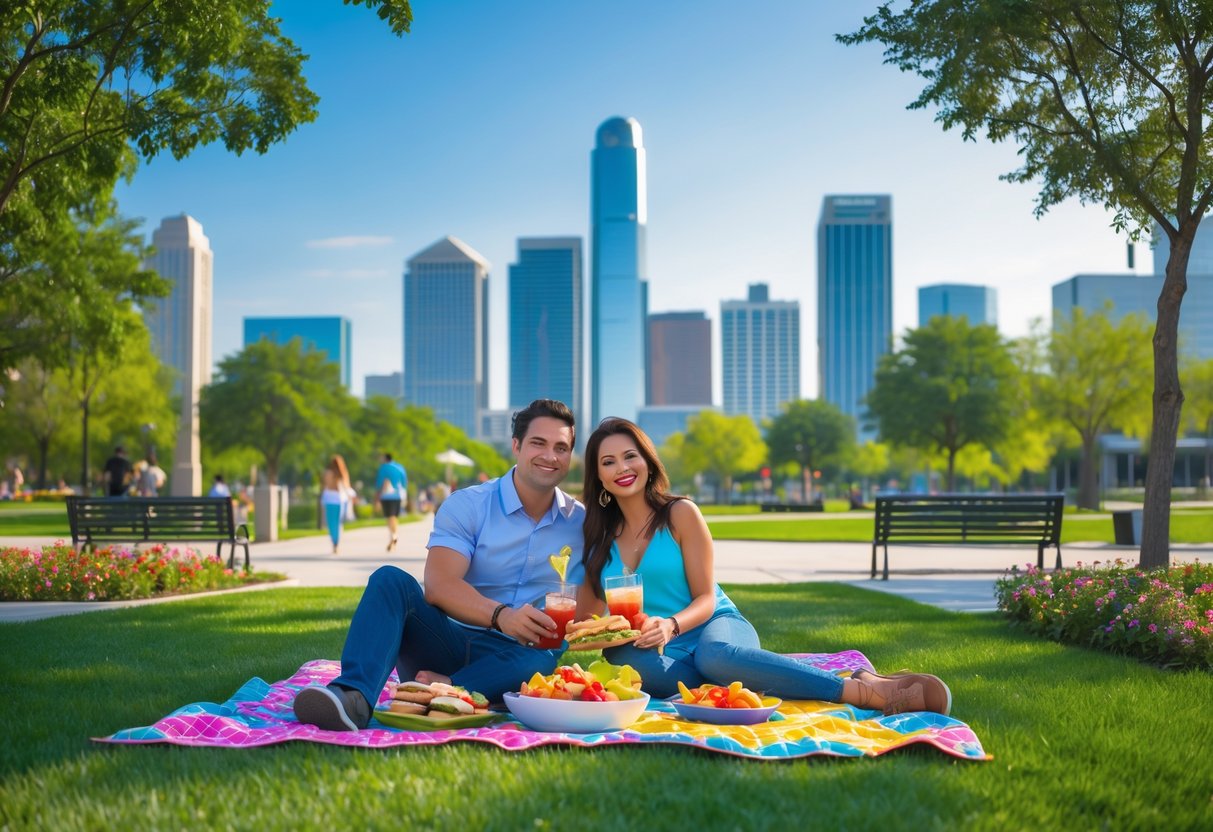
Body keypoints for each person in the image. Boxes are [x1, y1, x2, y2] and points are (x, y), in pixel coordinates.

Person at [576, 417, 952, 716]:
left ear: (647, 460)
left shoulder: (680, 514)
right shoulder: (596, 540)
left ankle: (862, 690)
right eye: (608, 462)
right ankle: (746, 673)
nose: (622, 467)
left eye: (630, 456)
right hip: (656, 648)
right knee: (621, 662)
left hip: (710, 625)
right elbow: (589, 625)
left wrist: (671, 624)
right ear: (599, 476)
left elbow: (706, 597)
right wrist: (606, 633)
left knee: (716, 657)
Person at [293, 399, 585, 732]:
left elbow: (590, 603)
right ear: (516, 445)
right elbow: (439, 585)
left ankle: (445, 689)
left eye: (561, 447)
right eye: (538, 443)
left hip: (519, 660)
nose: (550, 455)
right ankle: (352, 698)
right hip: (446, 641)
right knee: (390, 580)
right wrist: (503, 616)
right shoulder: (468, 505)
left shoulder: (581, 523)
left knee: (546, 653)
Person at [320, 455, 356, 555]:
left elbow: (325, 485)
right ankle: (337, 543)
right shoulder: (342, 473)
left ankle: (334, 543)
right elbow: (347, 487)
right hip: (340, 500)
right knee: (338, 523)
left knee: (331, 523)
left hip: (329, 499)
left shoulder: (327, 473)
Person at [375, 452, 409, 552]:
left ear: (385, 458)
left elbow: (379, 483)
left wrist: (376, 497)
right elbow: (404, 482)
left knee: (389, 517)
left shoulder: (383, 468)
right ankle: (394, 536)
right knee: (394, 517)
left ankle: (393, 536)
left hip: (386, 496)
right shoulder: (400, 467)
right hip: (397, 495)